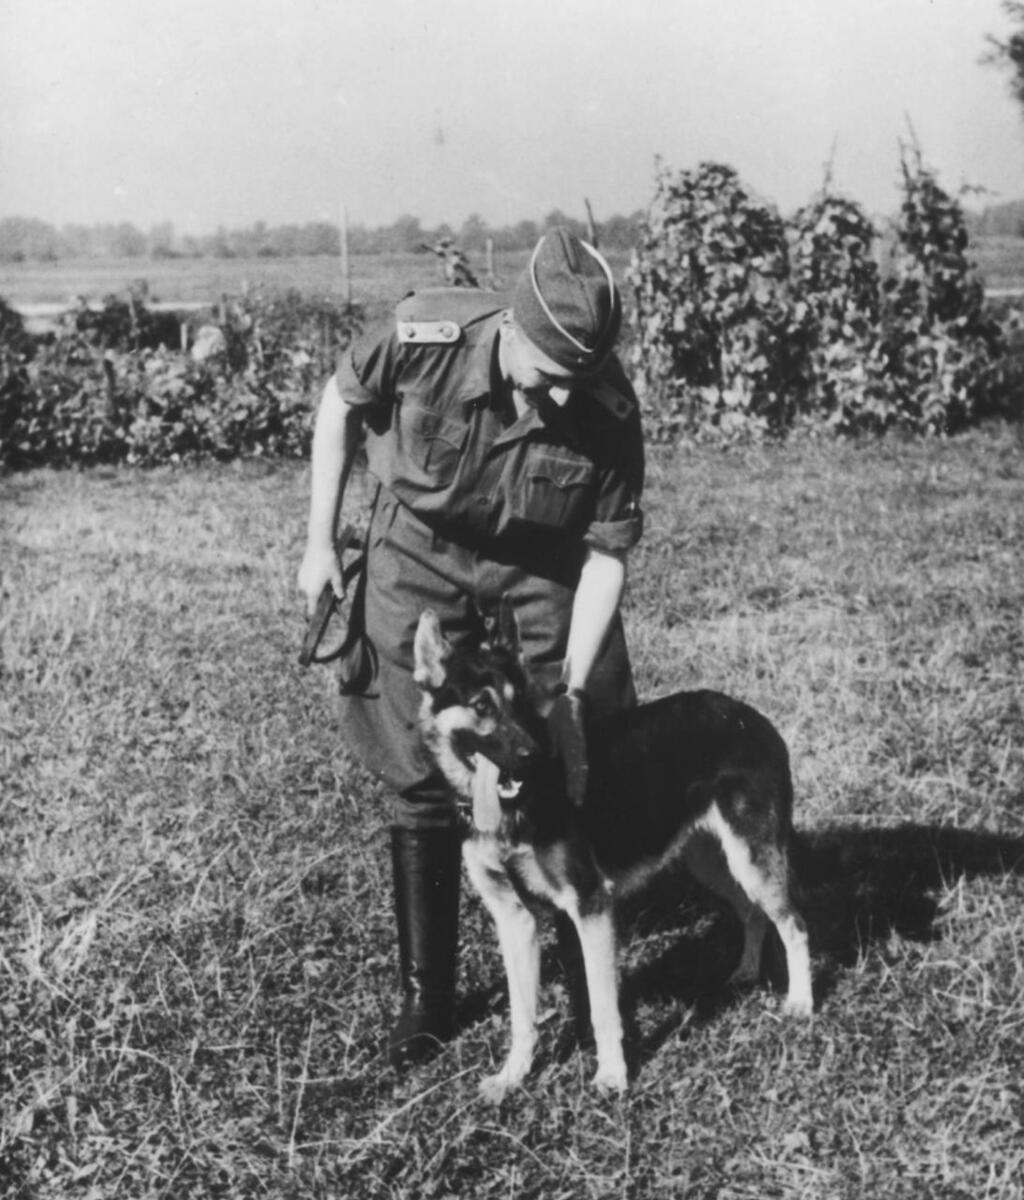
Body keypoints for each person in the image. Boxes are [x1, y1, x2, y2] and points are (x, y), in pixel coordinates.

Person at [297, 227, 645, 1066]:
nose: (564, 401)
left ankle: (572, 940)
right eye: (551, 378)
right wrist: (318, 543)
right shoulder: (424, 341)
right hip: (419, 544)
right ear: (512, 331)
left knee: (570, 741)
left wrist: (567, 688)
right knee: (421, 760)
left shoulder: (604, 404)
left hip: (540, 560)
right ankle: (431, 995)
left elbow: (605, 555)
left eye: (581, 382)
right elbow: (339, 407)